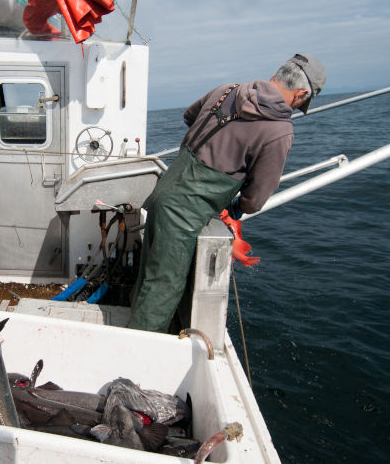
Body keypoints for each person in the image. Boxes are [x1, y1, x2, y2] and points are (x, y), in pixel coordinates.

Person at [128, 54, 326, 333]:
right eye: (303, 102)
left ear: (276, 75)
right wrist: (235, 207)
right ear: (302, 93)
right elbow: (256, 198)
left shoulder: (227, 90)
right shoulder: (280, 130)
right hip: (185, 214)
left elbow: (189, 116)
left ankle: (137, 328)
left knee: (150, 272)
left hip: (163, 192)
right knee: (163, 285)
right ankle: (136, 357)